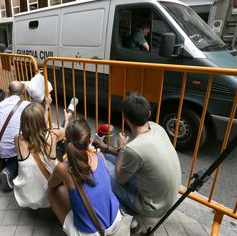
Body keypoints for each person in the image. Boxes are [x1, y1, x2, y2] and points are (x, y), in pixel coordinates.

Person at [97, 92, 181, 232]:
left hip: (153, 207)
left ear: (125, 118)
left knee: (106, 176)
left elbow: (120, 179)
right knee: (111, 159)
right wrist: (108, 149)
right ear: (148, 113)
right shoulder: (157, 128)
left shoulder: (133, 149)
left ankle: (127, 216)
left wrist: (122, 148)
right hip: (169, 199)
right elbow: (135, 158)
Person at [48, 119, 129, 236]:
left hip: (92, 232)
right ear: (89, 140)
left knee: (52, 190)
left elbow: (51, 184)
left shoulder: (63, 168)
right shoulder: (100, 155)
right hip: (116, 219)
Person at [13, 102, 69, 209]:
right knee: (60, 147)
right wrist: (66, 120)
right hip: (48, 196)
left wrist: (46, 107)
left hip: (26, 197)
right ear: (42, 121)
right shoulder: (52, 136)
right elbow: (66, 132)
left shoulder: (18, 139)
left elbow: (35, 132)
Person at [0, 81, 30, 190]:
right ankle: (9, 171)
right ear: (23, 92)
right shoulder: (27, 105)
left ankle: (5, 164)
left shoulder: (0, 104)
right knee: (24, 144)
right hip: (12, 147)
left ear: (8, 92)